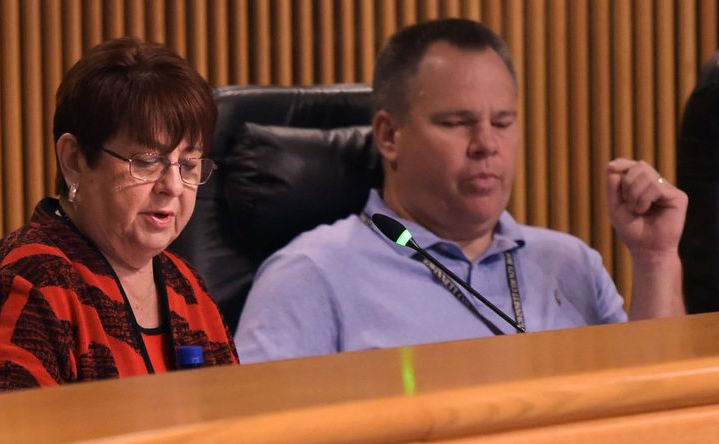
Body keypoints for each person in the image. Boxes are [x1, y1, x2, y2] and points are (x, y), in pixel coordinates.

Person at [235, 18, 687, 362]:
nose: (487, 144)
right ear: (390, 136)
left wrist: (655, 259)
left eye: (503, 122)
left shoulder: (571, 264)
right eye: (457, 123)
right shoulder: (311, 276)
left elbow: (659, 420)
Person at [0, 37, 237, 396]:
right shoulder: (26, 283)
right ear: (75, 160)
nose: (172, 186)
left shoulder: (184, 286)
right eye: (147, 161)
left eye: (188, 164)